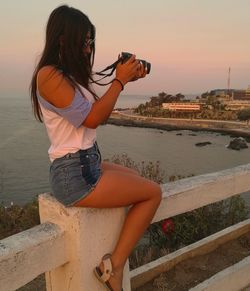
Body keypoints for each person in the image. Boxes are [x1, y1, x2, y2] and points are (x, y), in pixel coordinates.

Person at [30, 5, 162, 291]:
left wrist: (126, 78)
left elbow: (96, 111)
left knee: (137, 178)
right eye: (84, 41)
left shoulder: (69, 76)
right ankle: (113, 268)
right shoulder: (48, 76)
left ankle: (113, 262)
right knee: (152, 193)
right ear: (63, 39)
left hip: (86, 162)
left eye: (91, 42)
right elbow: (93, 118)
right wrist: (119, 81)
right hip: (73, 173)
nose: (88, 48)